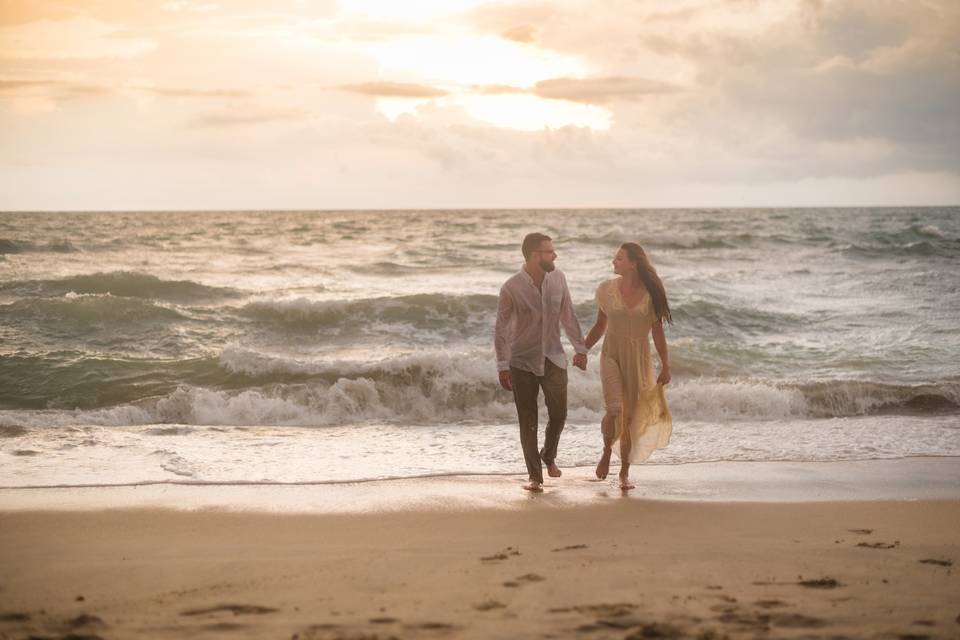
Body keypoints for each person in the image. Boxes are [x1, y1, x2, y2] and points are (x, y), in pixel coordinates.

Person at [495, 233, 588, 492]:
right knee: (528, 420)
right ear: (535, 255)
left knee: (559, 415)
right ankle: (535, 476)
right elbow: (501, 330)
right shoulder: (511, 287)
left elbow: (568, 314)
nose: (554, 255)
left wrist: (580, 348)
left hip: (554, 357)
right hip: (522, 360)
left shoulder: (558, 279)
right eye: (549, 252)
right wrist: (503, 365)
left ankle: (548, 455)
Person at [584, 242, 673, 490]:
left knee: (629, 418)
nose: (614, 262)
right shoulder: (605, 290)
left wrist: (665, 365)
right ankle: (605, 451)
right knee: (614, 409)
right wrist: (583, 350)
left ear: (633, 264)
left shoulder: (652, 295)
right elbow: (600, 325)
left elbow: (658, 333)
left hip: (639, 359)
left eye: (619, 259)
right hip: (611, 355)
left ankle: (623, 471)